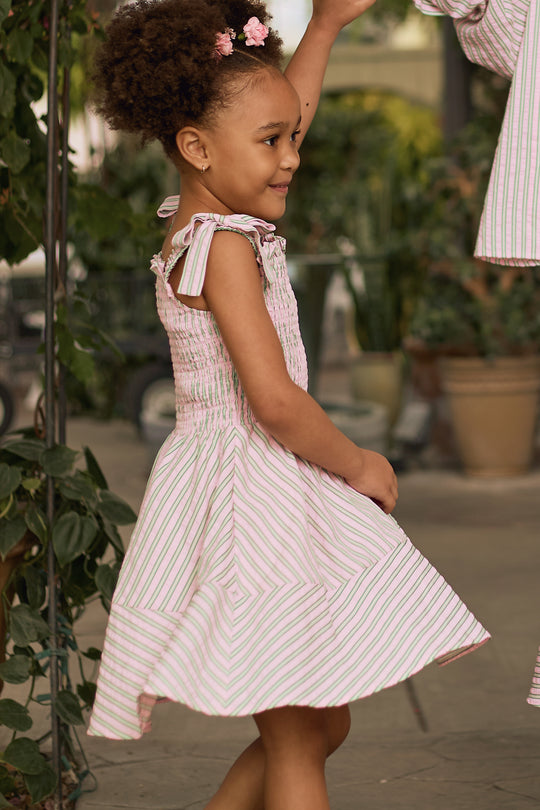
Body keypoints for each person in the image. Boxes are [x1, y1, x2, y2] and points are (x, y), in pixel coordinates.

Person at [88, 1, 490, 807]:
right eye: (272, 144)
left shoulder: (205, 223)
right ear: (197, 148)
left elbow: (278, 106)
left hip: (252, 486)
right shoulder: (226, 248)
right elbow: (272, 401)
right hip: (253, 501)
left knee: (316, 725)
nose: (291, 158)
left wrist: (327, 29)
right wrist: (361, 463)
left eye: (292, 138)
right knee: (301, 737)